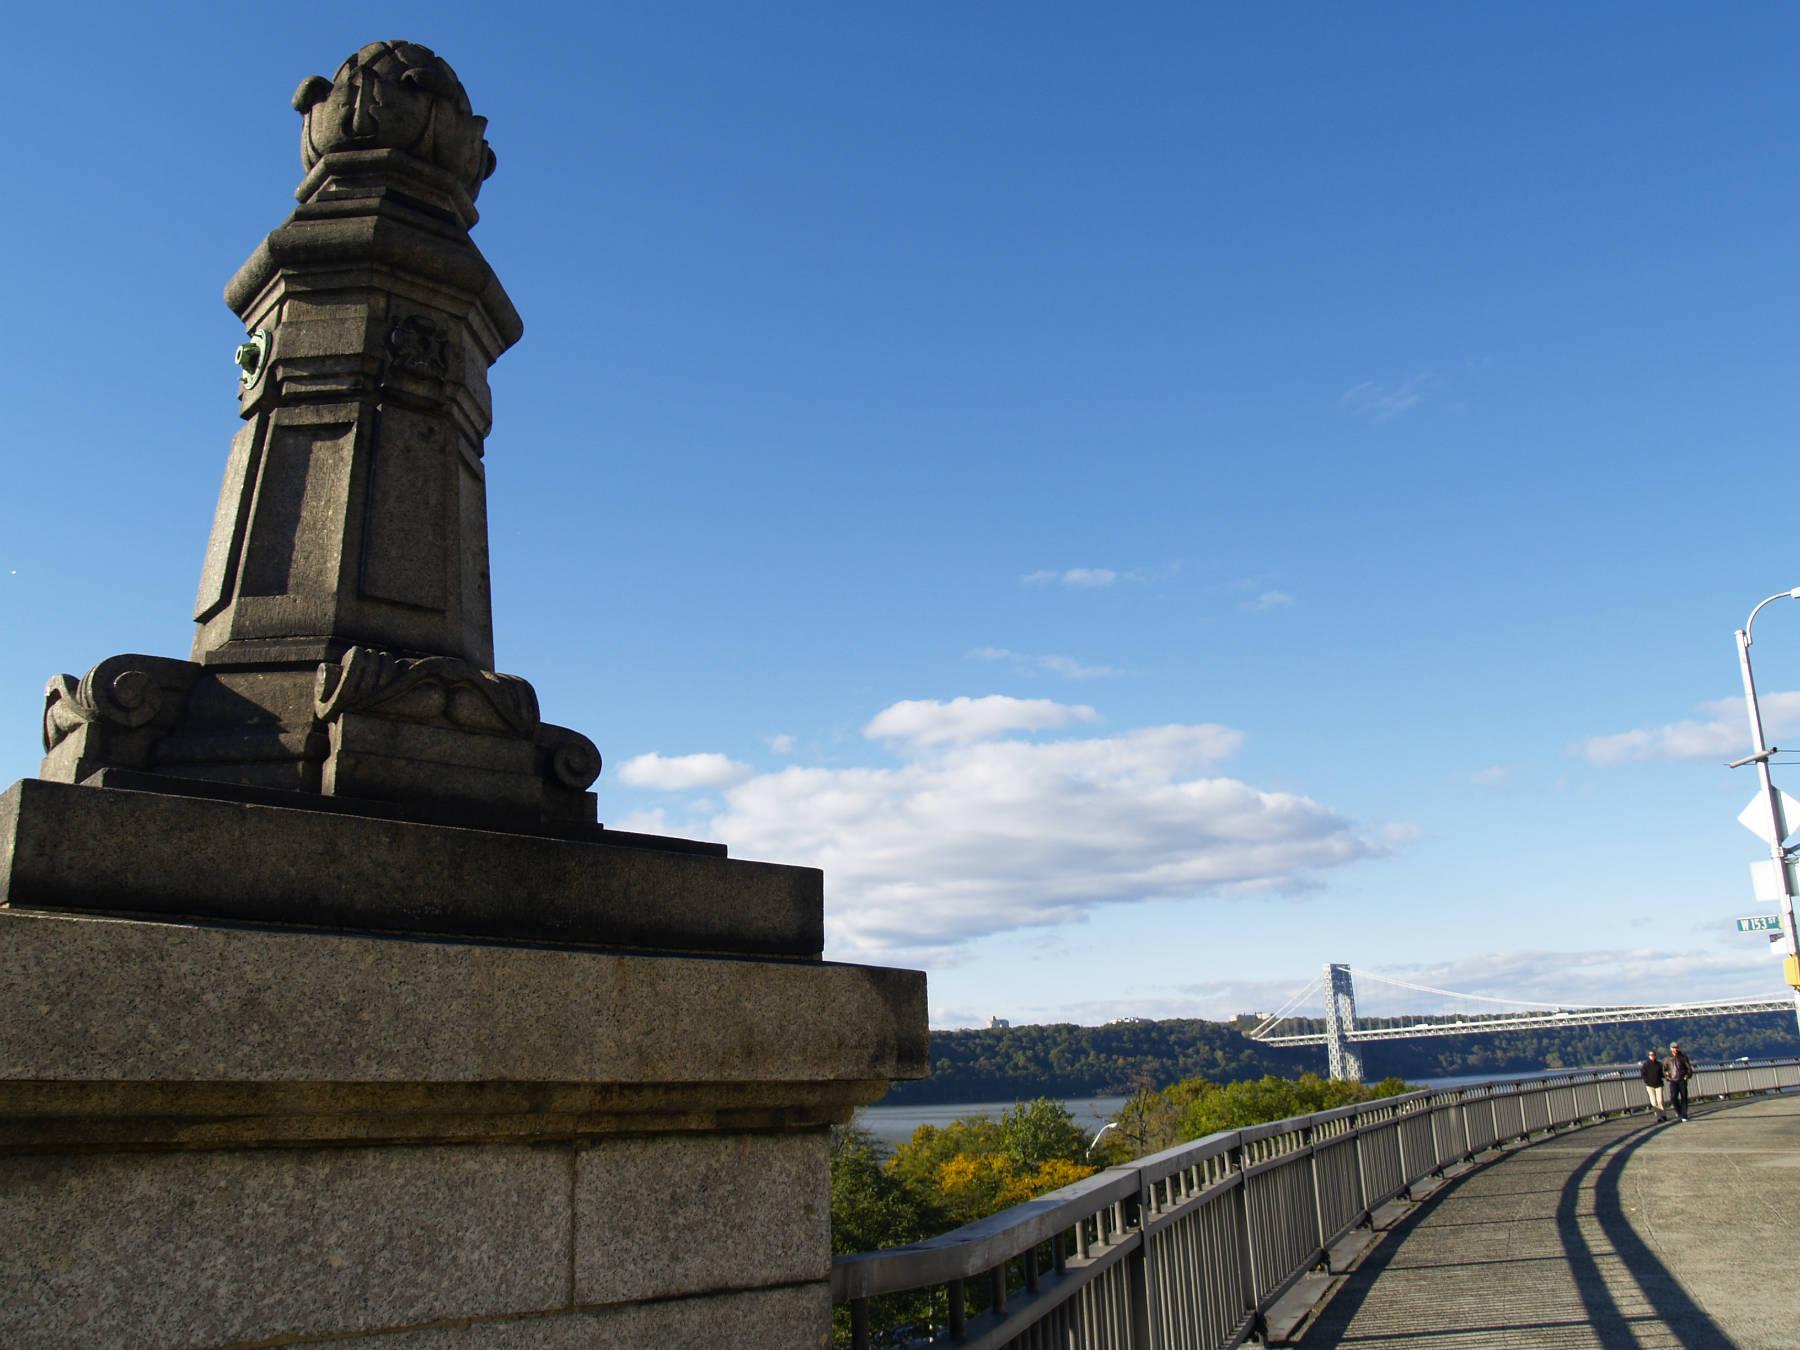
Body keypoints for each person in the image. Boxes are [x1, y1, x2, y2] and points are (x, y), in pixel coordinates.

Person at [1665, 1040, 1694, 1122]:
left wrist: (1687, 1076)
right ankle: (1679, 1112)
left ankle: (1684, 1114)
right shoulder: (1668, 1059)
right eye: (1673, 1048)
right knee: (1673, 1097)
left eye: (1676, 1047)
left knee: (1684, 1097)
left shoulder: (1683, 1057)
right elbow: (1665, 1069)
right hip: (1673, 1080)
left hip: (1682, 1080)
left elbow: (1689, 1069)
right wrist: (1667, 1076)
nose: (1675, 1049)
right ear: (1671, 1049)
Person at [1639, 1048, 1666, 1121]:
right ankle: (1658, 1117)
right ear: (1649, 1056)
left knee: (1660, 1100)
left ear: (1656, 1056)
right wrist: (1646, 1081)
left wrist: (1666, 1075)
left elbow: (1662, 1074)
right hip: (1650, 1086)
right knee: (1653, 1102)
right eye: (1651, 1055)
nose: (1652, 1056)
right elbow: (1643, 1074)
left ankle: (1663, 1114)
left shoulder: (1659, 1064)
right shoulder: (1645, 1065)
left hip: (1659, 1084)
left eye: (1653, 1055)